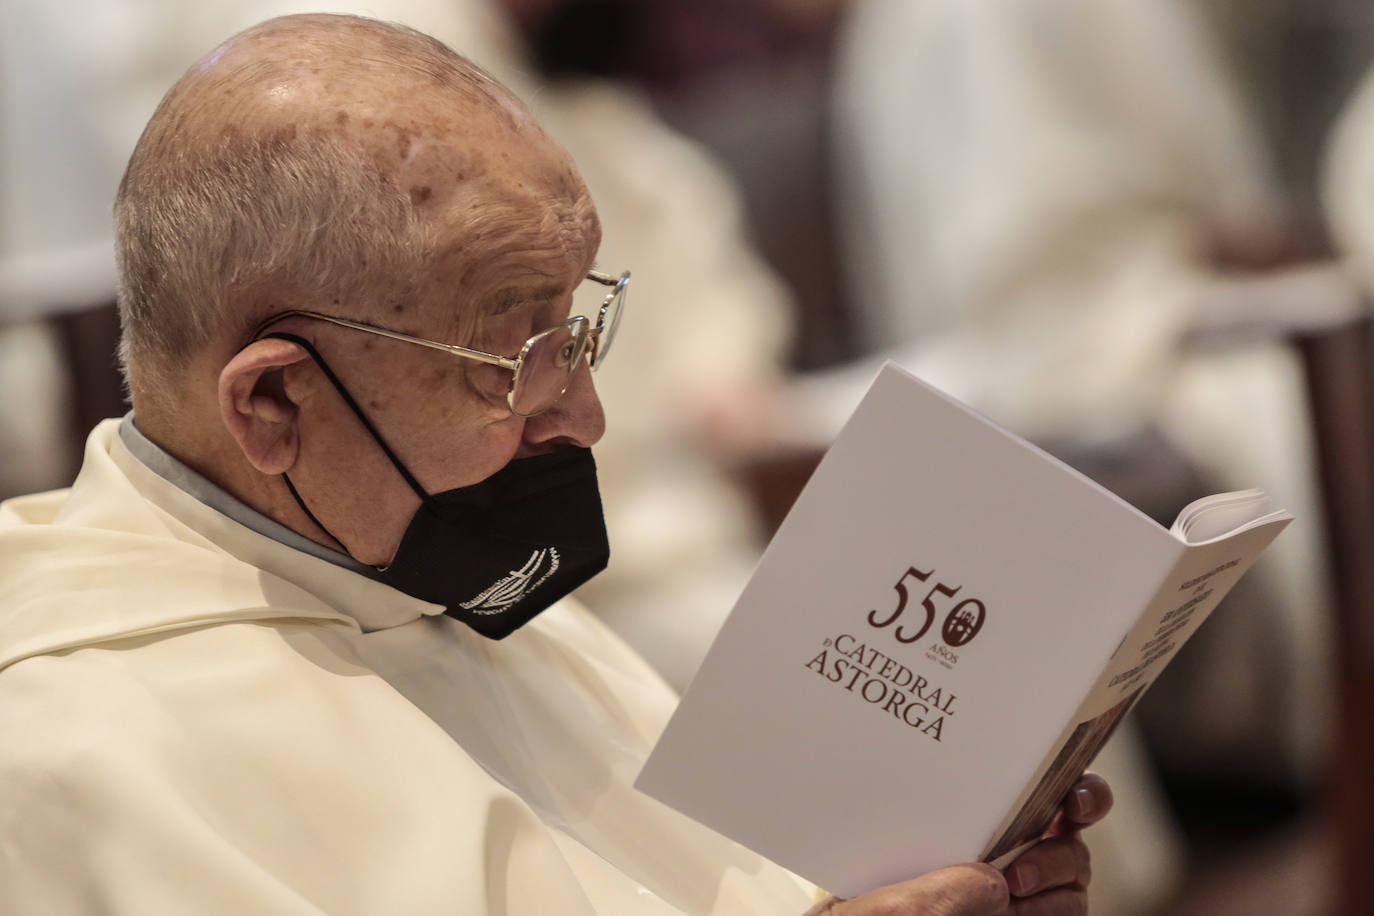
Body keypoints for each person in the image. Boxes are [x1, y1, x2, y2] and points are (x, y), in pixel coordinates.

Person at [0, 14, 1108, 914]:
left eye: (574, 328)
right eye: (508, 355)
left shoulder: (439, 571)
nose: (583, 412)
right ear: (274, 402)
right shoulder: (71, 759)